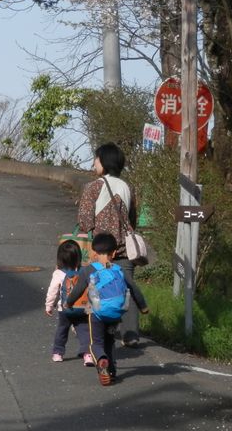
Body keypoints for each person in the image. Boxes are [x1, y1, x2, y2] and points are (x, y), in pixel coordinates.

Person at [77, 142, 142, 347]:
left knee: (97, 286)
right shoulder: (127, 187)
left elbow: (85, 221)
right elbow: (132, 218)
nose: (94, 163)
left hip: (100, 250)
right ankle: (130, 335)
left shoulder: (93, 187)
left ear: (103, 162)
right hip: (123, 248)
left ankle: (99, 330)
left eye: (96, 159)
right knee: (126, 287)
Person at [65, 233, 149, 386]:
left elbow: (77, 290)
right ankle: (112, 372)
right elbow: (134, 289)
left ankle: (101, 360)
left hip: (96, 313)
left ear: (94, 253)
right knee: (109, 342)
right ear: (114, 253)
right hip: (115, 314)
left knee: (95, 343)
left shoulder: (88, 270)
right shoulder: (119, 269)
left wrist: (68, 303)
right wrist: (143, 306)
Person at [45, 240, 93, 366]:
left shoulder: (59, 273)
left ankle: (58, 353)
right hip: (82, 307)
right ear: (79, 256)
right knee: (84, 331)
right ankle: (88, 355)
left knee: (62, 330)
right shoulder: (84, 271)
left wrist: (49, 306)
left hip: (64, 309)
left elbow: (52, 291)